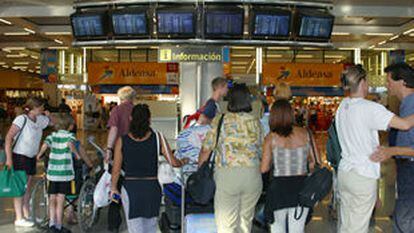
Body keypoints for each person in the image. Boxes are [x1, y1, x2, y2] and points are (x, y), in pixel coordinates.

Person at [335, 65, 414, 233]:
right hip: (362, 176)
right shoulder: (370, 108)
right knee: (358, 228)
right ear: (363, 83)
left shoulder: (343, 105)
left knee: (347, 224)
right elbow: (406, 124)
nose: (386, 84)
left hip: (345, 173)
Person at [110, 104, 187, 233]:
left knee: (135, 228)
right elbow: (174, 162)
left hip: (130, 188)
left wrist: (113, 188)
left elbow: (116, 169)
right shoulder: (158, 138)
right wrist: (184, 161)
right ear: (149, 120)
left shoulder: (122, 141)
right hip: (151, 188)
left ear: (130, 118)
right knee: (151, 227)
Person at [199, 83, 263, 233]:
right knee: (244, 224)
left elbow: (206, 149)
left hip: (227, 176)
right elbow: (261, 149)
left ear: (230, 101)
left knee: (226, 225)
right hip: (252, 175)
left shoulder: (220, 120)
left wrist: (200, 168)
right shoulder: (256, 122)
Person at [261, 99, 319, 233]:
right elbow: (315, 163)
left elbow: (264, 168)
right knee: (297, 229)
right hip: (301, 188)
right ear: (291, 114)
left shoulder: (271, 137)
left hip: (279, 189)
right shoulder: (306, 134)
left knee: (277, 228)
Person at [370, 63, 414, 232]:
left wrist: (391, 151)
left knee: (405, 219)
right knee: (402, 218)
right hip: (406, 169)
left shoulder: (411, 105)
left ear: (401, 82)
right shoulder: (405, 105)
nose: (386, 85)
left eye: (389, 81)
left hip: (411, 169)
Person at [4, 97, 52, 227]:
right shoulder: (22, 119)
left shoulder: (41, 119)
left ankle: (26, 214)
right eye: (41, 107)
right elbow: (8, 138)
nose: (43, 109)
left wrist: (49, 116)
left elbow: (52, 122)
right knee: (19, 188)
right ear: (33, 108)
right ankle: (19, 218)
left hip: (31, 157)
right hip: (19, 156)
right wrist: (9, 159)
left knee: (27, 187)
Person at [36, 113, 79, 233]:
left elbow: (45, 145)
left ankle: (52, 224)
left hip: (52, 174)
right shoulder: (70, 136)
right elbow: (71, 145)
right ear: (70, 126)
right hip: (65, 174)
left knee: (52, 199)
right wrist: (77, 155)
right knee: (60, 200)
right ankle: (59, 226)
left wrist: (39, 154)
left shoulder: (52, 136)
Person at [105, 86, 136, 233]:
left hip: (119, 153)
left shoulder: (116, 110)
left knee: (115, 185)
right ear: (132, 97)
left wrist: (109, 149)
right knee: (133, 187)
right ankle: (134, 223)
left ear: (120, 97)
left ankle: (114, 224)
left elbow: (114, 130)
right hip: (135, 153)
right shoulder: (137, 111)